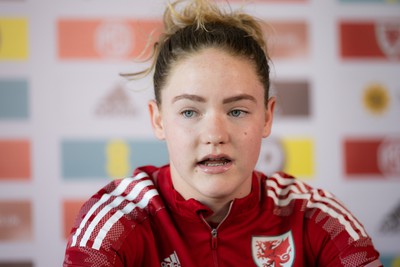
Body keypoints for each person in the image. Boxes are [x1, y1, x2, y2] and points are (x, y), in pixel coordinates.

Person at [63, 0, 382, 266]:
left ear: (267, 117)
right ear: (158, 120)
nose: (215, 134)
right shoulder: (117, 222)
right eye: (190, 112)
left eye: (237, 111)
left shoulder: (311, 216)